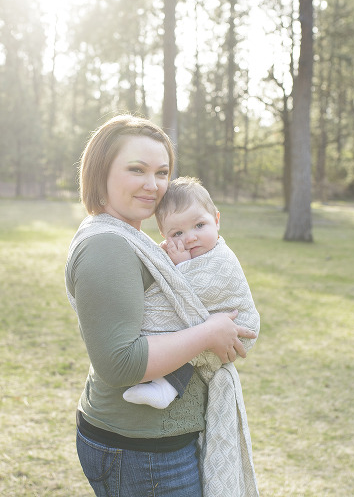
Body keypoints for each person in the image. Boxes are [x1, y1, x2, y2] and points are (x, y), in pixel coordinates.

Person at [65, 115, 260, 496]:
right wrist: (209, 332)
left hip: (150, 443)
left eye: (162, 171)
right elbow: (120, 362)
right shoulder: (106, 246)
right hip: (140, 448)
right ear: (101, 172)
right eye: (136, 170)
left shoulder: (127, 236)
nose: (153, 185)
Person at [122, 176, 260, 410]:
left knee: (189, 346)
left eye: (199, 226)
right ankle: (158, 379)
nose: (190, 237)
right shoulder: (172, 252)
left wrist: (182, 266)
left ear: (216, 220)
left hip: (238, 326)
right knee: (182, 340)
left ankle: (165, 388)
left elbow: (192, 288)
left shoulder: (221, 257)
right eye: (177, 233)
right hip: (210, 326)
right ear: (164, 236)